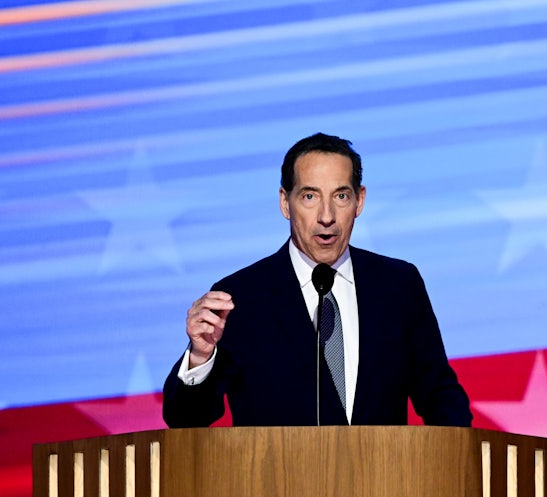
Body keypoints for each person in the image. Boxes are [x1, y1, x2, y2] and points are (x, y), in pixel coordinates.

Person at [163, 133, 472, 427]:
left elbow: (441, 397)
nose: (327, 216)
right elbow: (186, 419)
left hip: (384, 480)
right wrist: (201, 357)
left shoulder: (398, 285)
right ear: (285, 202)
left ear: (359, 201)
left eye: (341, 195)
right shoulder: (242, 298)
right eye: (309, 196)